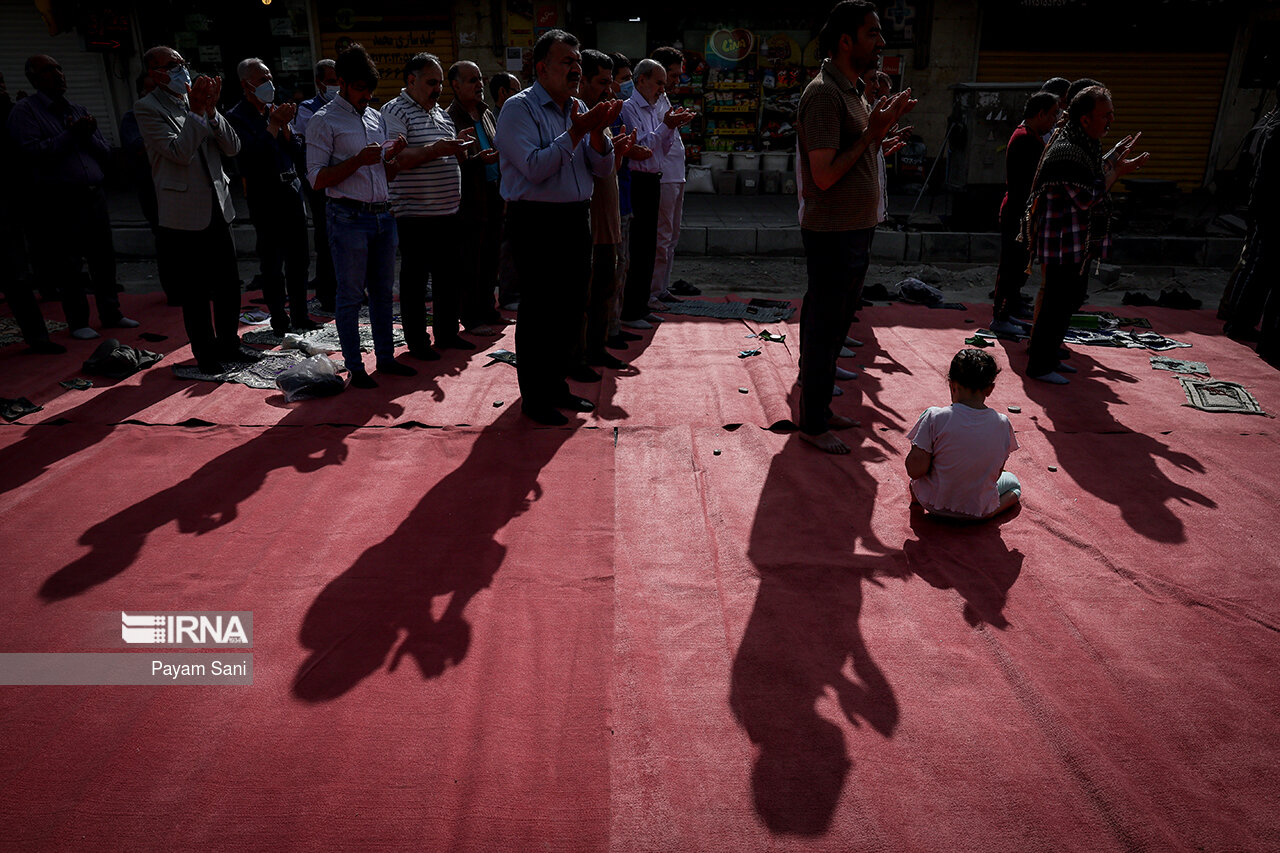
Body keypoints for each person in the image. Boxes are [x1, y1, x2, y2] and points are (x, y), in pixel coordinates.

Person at [795, 0, 914, 454]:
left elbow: (849, 159)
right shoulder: (824, 94)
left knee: (838, 324)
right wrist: (870, 135)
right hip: (832, 232)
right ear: (846, 41)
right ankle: (812, 424)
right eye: (873, 33)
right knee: (824, 327)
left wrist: (878, 138)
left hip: (856, 226)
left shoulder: (854, 91)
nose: (882, 42)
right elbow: (823, 175)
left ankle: (821, 410)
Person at [494, 29, 621, 425]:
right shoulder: (519, 109)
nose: (575, 69)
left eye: (577, 62)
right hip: (536, 219)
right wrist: (579, 131)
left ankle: (556, 386)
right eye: (566, 61)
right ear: (541, 67)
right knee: (539, 310)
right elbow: (533, 167)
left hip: (574, 217)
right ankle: (535, 397)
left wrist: (598, 133)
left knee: (569, 308)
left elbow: (602, 169)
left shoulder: (578, 107)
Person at [1022, 85, 1148, 384]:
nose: (1110, 121)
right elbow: (1086, 196)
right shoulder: (1067, 151)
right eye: (1105, 115)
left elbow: (1094, 175)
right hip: (1061, 241)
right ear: (1084, 119)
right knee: (1054, 303)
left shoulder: (1085, 146)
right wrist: (1117, 172)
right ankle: (1040, 365)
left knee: (1067, 301)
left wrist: (1115, 159)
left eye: (1111, 114)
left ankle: (1051, 357)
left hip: (1076, 241)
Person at [8, 54, 138, 342]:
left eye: (59, 67)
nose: (58, 74)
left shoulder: (77, 109)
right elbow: (31, 153)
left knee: (103, 258)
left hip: (93, 194)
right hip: (59, 198)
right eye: (49, 70)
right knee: (69, 263)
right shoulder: (25, 111)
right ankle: (78, 320)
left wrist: (87, 134)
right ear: (34, 78)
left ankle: (111, 312)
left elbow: (104, 154)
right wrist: (71, 135)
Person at [305, 43, 411, 388]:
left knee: (382, 294)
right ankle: (356, 366)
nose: (367, 96)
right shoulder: (323, 120)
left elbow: (382, 172)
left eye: (370, 90)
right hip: (347, 217)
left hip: (383, 214)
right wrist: (357, 162)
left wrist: (392, 158)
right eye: (361, 89)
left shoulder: (376, 117)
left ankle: (385, 359)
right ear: (344, 84)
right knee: (350, 295)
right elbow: (318, 179)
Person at [135, 46, 244, 374]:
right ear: (156, 74)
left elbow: (233, 146)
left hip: (217, 206)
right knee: (196, 292)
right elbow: (178, 152)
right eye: (172, 65)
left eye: (183, 63)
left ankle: (229, 344)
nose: (181, 70)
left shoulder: (194, 100)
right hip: (183, 214)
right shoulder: (147, 108)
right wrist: (197, 112)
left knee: (229, 284)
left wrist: (211, 111)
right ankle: (206, 354)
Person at [383, 52, 476, 359]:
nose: (438, 88)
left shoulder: (440, 113)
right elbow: (396, 159)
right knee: (416, 282)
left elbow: (445, 154)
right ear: (411, 80)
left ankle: (447, 334)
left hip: (448, 212)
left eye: (439, 83)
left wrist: (459, 148)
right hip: (415, 214)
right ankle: (417, 342)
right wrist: (437, 149)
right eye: (431, 82)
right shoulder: (394, 111)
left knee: (448, 278)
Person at [227, 57, 319, 336]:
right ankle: (279, 318)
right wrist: (274, 126)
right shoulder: (236, 117)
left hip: (291, 191)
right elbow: (252, 157)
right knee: (272, 261)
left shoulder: (276, 110)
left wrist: (286, 127)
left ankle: (301, 315)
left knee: (299, 259)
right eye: (262, 79)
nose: (269, 84)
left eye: (269, 77)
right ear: (247, 85)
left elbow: (298, 153)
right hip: (265, 196)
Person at [619, 58, 693, 330]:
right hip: (637, 180)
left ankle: (642, 304)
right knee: (638, 247)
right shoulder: (629, 109)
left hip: (654, 179)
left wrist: (670, 125)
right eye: (659, 82)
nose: (663, 89)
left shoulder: (654, 108)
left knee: (649, 245)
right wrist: (667, 125)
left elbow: (662, 148)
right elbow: (642, 147)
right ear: (642, 81)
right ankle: (631, 309)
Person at [906, 348, 1021, 520]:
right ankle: (988, 512)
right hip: (976, 509)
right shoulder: (1003, 423)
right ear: (990, 389)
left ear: (952, 385)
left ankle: (919, 495)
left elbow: (914, 470)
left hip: (931, 503)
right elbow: (996, 475)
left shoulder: (934, 416)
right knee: (1014, 485)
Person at [578, 49, 635, 375]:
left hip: (608, 216)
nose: (609, 89)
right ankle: (581, 354)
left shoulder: (603, 114)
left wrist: (621, 152)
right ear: (583, 80)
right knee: (586, 294)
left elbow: (606, 167)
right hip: (590, 220)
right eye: (602, 82)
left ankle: (597, 349)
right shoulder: (580, 116)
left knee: (604, 288)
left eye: (610, 82)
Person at [990, 90, 1060, 337]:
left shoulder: (1030, 136)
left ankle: (1006, 314)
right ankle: (1000, 316)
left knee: (1018, 267)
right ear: (1040, 114)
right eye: (1052, 115)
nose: (1054, 120)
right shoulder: (1025, 139)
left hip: (1024, 212)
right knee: (1010, 267)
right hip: (1019, 213)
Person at [446, 59, 505, 334]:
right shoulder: (449, 117)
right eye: (472, 80)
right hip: (469, 198)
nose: (479, 84)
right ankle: (471, 317)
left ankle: (488, 310)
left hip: (494, 193)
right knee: (472, 260)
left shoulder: (486, 113)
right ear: (456, 86)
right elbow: (452, 162)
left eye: (480, 78)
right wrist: (476, 161)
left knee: (492, 255)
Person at [1229, 80, 1279, 367]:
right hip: (1270, 209)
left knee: (1258, 266)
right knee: (1263, 269)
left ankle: (1239, 321)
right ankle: (1255, 331)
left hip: (1263, 207)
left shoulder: (1269, 125)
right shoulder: (1275, 129)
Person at [293, 59, 339, 311]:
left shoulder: (348, 106)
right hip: (320, 180)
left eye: (338, 81)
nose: (336, 87)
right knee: (326, 235)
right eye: (331, 82)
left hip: (344, 178)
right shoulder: (307, 109)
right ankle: (327, 291)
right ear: (319, 82)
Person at [650, 45, 692, 306]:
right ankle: (652, 291)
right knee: (661, 237)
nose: (676, 81)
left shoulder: (662, 98)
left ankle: (661, 288)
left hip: (676, 175)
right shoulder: (648, 100)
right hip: (663, 176)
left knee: (671, 236)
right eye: (673, 75)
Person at [491, 71, 523, 311]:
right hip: (503, 191)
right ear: (503, 93)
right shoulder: (500, 117)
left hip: (508, 190)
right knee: (508, 245)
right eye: (516, 90)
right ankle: (509, 293)